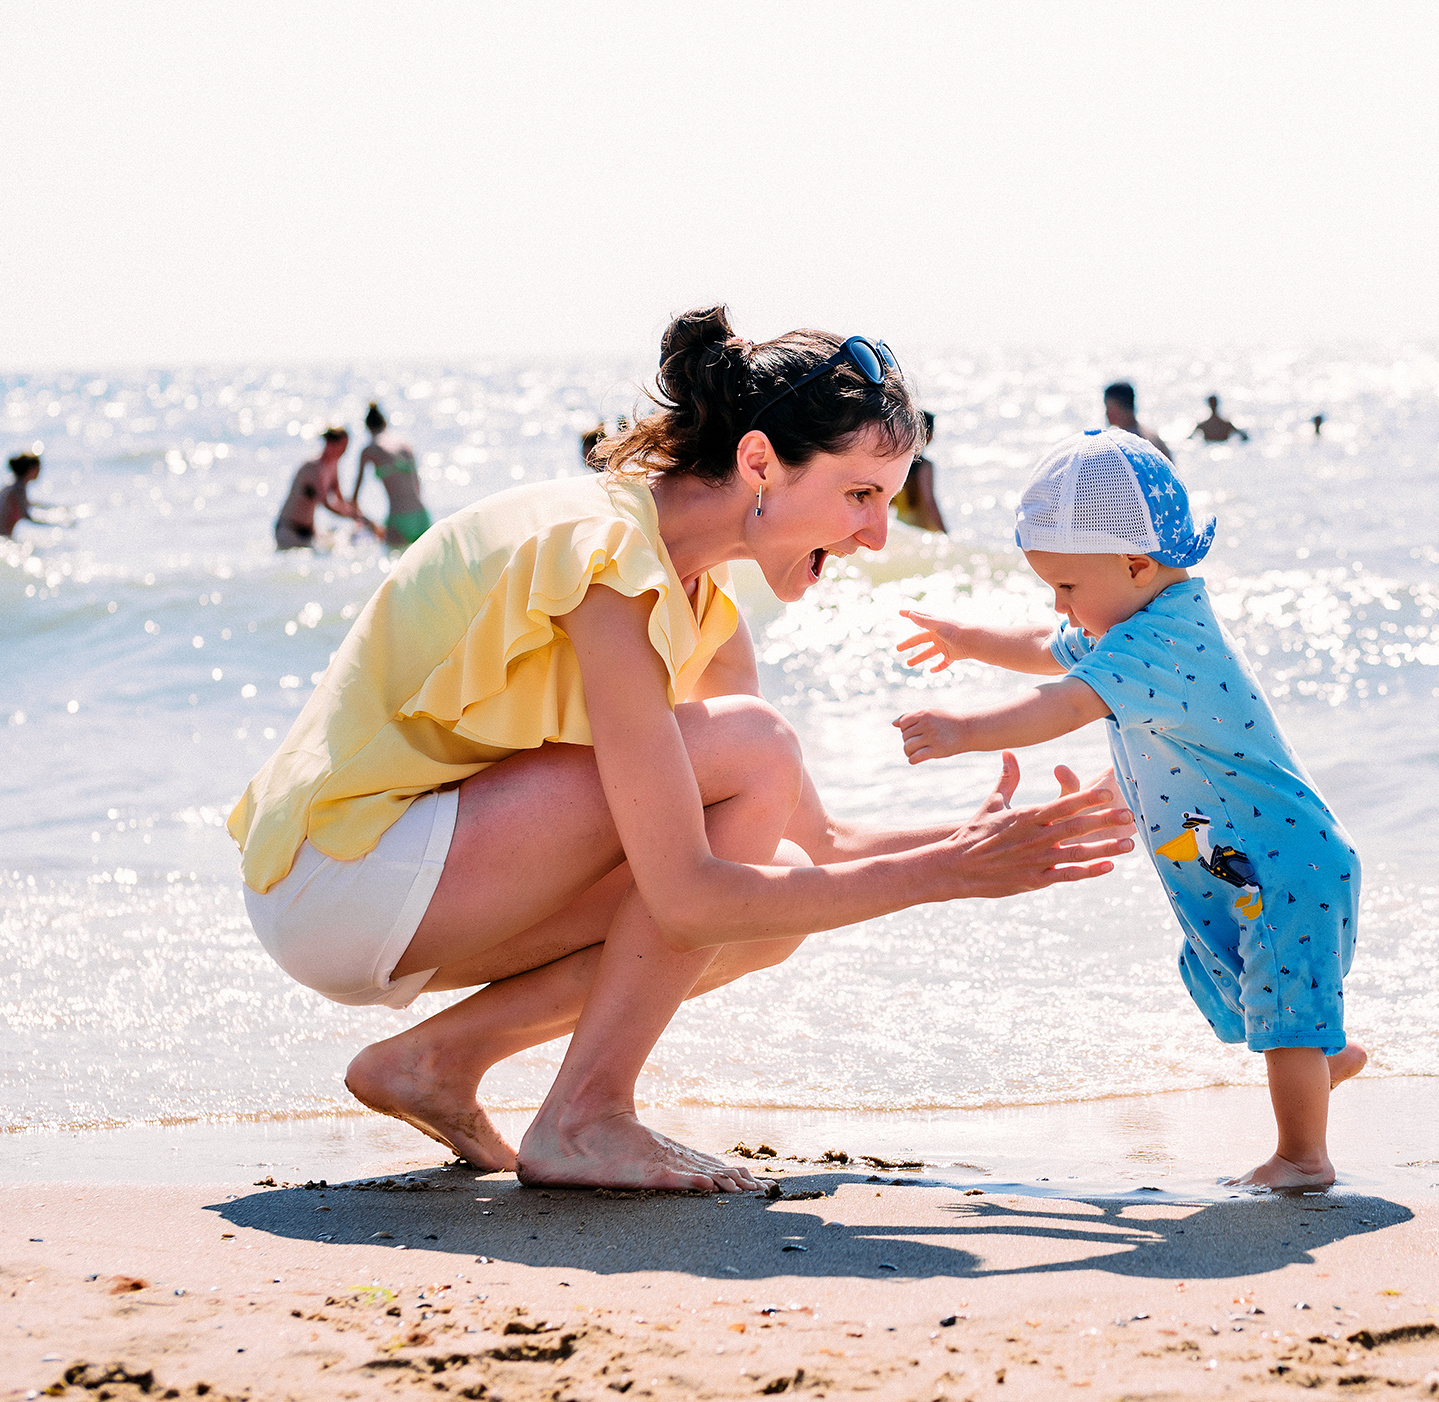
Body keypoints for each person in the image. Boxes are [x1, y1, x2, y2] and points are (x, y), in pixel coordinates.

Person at [227, 307, 1135, 1193]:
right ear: (759, 463)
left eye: (887, 501)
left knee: (774, 896)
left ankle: (437, 1061)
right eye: (861, 495)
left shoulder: (702, 604)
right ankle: (584, 1115)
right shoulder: (607, 558)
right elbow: (687, 894)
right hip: (340, 871)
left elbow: (813, 845)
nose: (875, 535)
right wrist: (946, 875)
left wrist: (986, 845)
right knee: (753, 760)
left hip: (407, 893)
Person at [892, 428, 1365, 1189]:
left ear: (1136, 564)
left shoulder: (1162, 641)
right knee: (1246, 986)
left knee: (1280, 1005)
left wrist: (963, 731)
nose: (1059, 607)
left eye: (1066, 587)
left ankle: (1302, 1158)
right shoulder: (1138, 622)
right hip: (1238, 861)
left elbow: (1062, 703)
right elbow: (1051, 647)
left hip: (1285, 866)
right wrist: (969, 639)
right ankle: (1321, 1060)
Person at [273, 428, 375, 549]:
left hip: (309, 531)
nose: (345, 451)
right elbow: (325, 503)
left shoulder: (333, 465)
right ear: (330, 444)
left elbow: (339, 498)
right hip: (289, 530)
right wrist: (355, 517)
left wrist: (359, 515)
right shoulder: (313, 467)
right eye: (343, 446)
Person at [354, 402, 434, 546]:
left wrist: (367, 522)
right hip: (421, 516)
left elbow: (355, 497)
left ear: (368, 427)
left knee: (394, 559)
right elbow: (417, 485)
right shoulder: (405, 446)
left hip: (398, 518)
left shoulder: (369, 451)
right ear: (384, 423)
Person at [891, 410, 947, 532]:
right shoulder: (924, 466)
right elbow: (929, 501)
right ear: (928, 434)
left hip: (902, 527)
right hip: (921, 528)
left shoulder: (899, 464)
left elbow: (891, 501)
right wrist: (944, 532)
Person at [0, 453, 52, 537]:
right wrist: (52, 523)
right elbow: (25, 514)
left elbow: (27, 504)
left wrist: (51, 508)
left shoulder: (12, 484)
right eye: (38, 468)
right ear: (30, 469)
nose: (39, 471)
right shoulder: (18, 488)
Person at [1103, 381, 1174, 460]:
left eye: (1108, 407)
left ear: (1119, 408)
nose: (1106, 413)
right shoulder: (1153, 438)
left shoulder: (1126, 444)